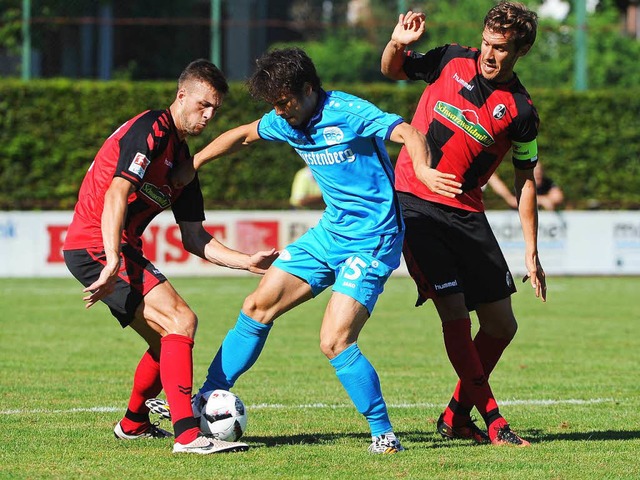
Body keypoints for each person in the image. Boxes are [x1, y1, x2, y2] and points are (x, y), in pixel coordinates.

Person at [153, 47, 432, 454]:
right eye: (274, 106)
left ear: (307, 90)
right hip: (330, 233)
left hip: (373, 238)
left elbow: (409, 133)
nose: (280, 113)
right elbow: (242, 135)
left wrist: (421, 169)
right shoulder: (285, 121)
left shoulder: (348, 111)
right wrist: (194, 163)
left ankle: (384, 434)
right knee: (256, 306)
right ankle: (206, 397)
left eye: (284, 104)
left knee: (334, 341)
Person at [62, 59, 278, 455]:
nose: (208, 115)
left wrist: (247, 262)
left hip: (113, 247)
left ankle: (134, 423)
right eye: (203, 105)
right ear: (182, 96)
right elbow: (115, 193)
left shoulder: (183, 163)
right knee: (182, 320)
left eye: (215, 109)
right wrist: (111, 259)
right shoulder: (153, 128)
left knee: (167, 346)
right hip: (96, 243)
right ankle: (188, 435)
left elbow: (196, 238)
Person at [381, 2, 546, 447]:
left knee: (501, 326)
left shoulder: (522, 111)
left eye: (501, 49)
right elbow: (393, 70)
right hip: (415, 203)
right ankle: (495, 422)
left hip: (468, 215)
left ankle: (455, 414)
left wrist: (531, 248)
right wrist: (398, 43)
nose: (489, 55)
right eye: (488, 44)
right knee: (453, 311)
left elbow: (525, 177)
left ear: (521, 50)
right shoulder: (452, 57)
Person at [487, 162, 564, 210]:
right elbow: (513, 201)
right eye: (535, 171)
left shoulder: (546, 182)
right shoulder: (521, 182)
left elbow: (558, 196)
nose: (538, 174)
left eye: (540, 171)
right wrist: (542, 200)